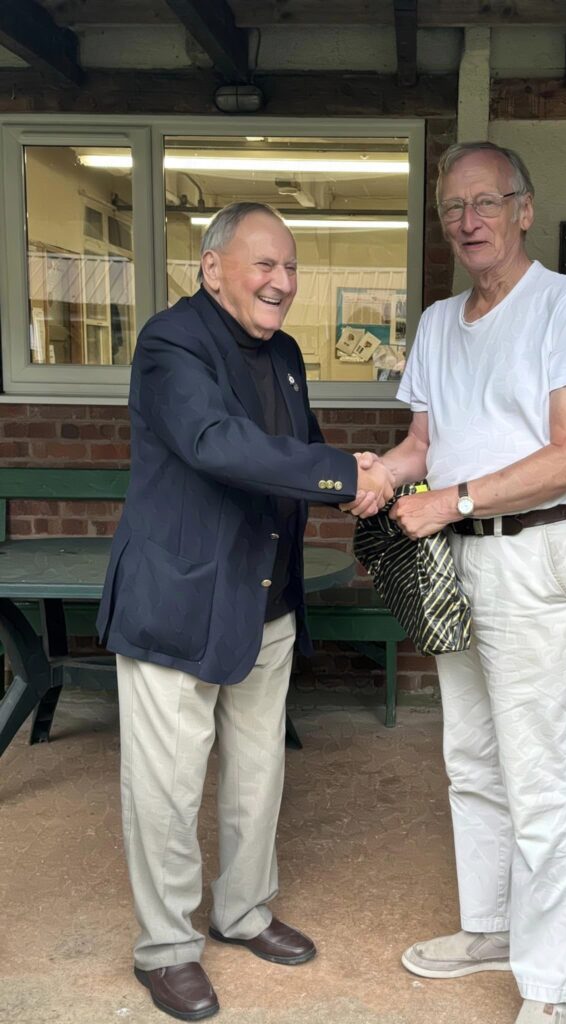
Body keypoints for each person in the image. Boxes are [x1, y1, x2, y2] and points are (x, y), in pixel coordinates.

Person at [97, 202, 392, 1022]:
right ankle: (165, 950)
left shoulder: (288, 353)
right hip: (179, 601)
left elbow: (297, 454)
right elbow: (215, 443)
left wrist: (356, 483)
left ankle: (244, 911)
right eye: (263, 265)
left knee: (258, 774)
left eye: (291, 267)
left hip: (266, 598)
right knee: (167, 786)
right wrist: (343, 473)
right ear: (212, 266)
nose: (282, 282)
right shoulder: (170, 343)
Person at [363, 141, 566, 1024]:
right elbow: (423, 448)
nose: (468, 221)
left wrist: (452, 503)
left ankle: (553, 993)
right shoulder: (440, 323)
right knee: (472, 757)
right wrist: (382, 475)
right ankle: (493, 927)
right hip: (456, 557)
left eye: (486, 202)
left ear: (523, 209)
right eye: (451, 209)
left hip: (536, 553)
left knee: (545, 772)